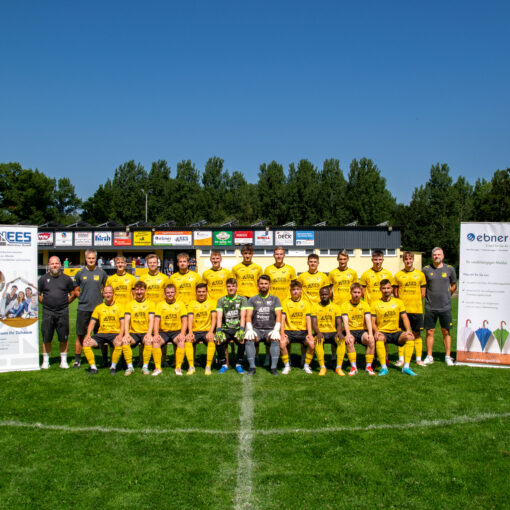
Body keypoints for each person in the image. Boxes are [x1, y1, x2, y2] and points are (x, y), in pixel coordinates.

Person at [371, 279, 417, 376]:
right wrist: (376, 331)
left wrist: (408, 330)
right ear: (380, 289)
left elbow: (404, 317)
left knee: (410, 337)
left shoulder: (398, 302)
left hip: (396, 332)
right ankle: (384, 368)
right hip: (383, 332)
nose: (386, 290)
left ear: (391, 289)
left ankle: (406, 367)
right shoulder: (375, 303)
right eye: (384, 288)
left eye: (388, 288)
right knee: (379, 338)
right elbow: (372, 321)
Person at [38, 256, 76, 369]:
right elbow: (38, 294)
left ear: (60, 264)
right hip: (47, 312)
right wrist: (45, 303)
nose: (54, 265)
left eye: (56, 263)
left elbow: (73, 293)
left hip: (62, 312)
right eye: (52, 264)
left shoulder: (66, 279)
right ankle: (46, 361)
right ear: (49, 265)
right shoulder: (43, 279)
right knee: (46, 338)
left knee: (63, 338)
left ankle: (63, 361)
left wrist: (65, 303)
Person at [73, 250, 108, 368]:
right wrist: (83, 298)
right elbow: (76, 290)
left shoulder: (102, 273)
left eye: (93, 258)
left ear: (96, 259)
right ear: (85, 259)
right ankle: (77, 360)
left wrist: (100, 298)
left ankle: (104, 359)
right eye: (89, 258)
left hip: (98, 310)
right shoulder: (79, 273)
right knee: (80, 334)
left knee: (102, 335)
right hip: (83, 308)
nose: (91, 260)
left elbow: (106, 289)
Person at [422, 247, 457, 366]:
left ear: (443, 256)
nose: (436, 256)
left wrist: (447, 296)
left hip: (445, 307)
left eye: (439, 254)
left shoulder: (450, 269)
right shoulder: (426, 270)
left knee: (446, 331)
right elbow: (423, 286)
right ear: (432, 256)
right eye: (434, 255)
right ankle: (429, 356)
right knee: (429, 332)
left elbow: (453, 285)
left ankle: (447, 356)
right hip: (430, 306)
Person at [393, 251, 427, 367]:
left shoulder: (420, 275)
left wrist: (414, 300)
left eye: (410, 259)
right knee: (402, 334)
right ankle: (401, 359)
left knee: (417, 334)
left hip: (416, 310)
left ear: (413, 260)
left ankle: (418, 359)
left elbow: (423, 293)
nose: (408, 261)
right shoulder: (398, 275)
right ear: (403, 260)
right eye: (406, 259)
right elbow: (396, 294)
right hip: (403, 311)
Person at [82, 286, 125, 375]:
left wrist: (121, 335)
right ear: (103, 294)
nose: (108, 295)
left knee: (118, 343)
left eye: (110, 293)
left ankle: (113, 367)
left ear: (113, 294)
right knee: (86, 343)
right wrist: (88, 335)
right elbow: (92, 322)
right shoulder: (99, 307)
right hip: (101, 334)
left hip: (114, 333)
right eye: (106, 293)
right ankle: (93, 368)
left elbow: (123, 323)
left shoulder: (119, 307)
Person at [244, 275, 282, 376]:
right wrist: (249, 329)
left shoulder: (275, 299)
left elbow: (279, 316)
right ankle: (252, 367)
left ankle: (273, 368)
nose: (263, 285)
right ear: (258, 285)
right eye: (261, 283)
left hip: (270, 329)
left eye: (265, 283)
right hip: (256, 329)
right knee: (249, 339)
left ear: (269, 285)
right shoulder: (252, 299)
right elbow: (248, 316)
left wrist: (276, 330)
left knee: (275, 339)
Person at [139, 254, 170, 366]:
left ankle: (163, 360)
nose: (152, 264)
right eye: (150, 262)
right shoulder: (142, 278)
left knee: (161, 334)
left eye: (154, 262)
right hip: (146, 310)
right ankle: (142, 360)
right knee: (144, 333)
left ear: (158, 263)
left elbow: (168, 293)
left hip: (161, 310)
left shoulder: (165, 278)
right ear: (147, 264)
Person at [152, 284, 189, 376]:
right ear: (165, 294)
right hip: (163, 332)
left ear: (175, 293)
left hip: (176, 332)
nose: (170, 294)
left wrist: (182, 333)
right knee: (155, 341)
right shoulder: (160, 304)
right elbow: (156, 321)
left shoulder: (180, 304)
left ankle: (178, 367)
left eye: (172, 292)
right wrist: (156, 334)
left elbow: (185, 320)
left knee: (181, 341)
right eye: (168, 292)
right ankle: (158, 368)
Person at [280, 280, 315, 375]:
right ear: (290, 291)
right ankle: (287, 366)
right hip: (289, 331)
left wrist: (310, 334)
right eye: (293, 289)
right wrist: (282, 333)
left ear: (301, 291)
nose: (295, 291)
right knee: (282, 343)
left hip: (302, 332)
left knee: (312, 344)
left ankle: (306, 365)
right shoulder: (285, 302)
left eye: (298, 289)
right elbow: (282, 319)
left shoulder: (306, 303)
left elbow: (308, 319)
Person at [341, 283, 376, 376]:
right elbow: (345, 321)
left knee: (371, 341)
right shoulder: (345, 305)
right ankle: (354, 367)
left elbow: (368, 320)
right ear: (351, 292)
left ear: (361, 293)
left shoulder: (365, 305)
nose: (356, 294)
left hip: (361, 330)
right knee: (349, 341)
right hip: (350, 330)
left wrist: (370, 334)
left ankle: (368, 366)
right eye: (354, 292)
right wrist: (348, 334)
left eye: (358, 292)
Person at [215, 278, 248, 374]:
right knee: (218, 340)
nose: (231, 288)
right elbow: (219, 317)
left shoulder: (242, 299)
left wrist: (242, 329)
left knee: (242, 340)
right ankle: (224, 364)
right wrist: (218, 330)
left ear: (236, 287)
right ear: (226, 287)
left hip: (237, 328)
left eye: (233, 286)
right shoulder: (221, 300)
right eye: (229, 286)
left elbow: (243, 315)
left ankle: (239, 364)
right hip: (226, 328)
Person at [123, 281, 155, 376]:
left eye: (141, 289)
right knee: (125, 341)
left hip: (145, 332)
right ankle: (130, 367)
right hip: (134, 333)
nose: (139, 292)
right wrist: (126, 334)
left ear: (145, 290)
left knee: (148, 341)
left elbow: (151, 320)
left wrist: (149, 334)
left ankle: (145, 367)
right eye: (137, 290)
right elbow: (127, 320)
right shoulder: (129, 304)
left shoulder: (150, 304)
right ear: (134, 291)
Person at [312, 286, 344, 376]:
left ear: (330, 295)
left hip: (333, 332)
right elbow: (314, 324)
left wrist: (339, 333)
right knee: (318, 340)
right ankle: (322, 367)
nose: (324, 296)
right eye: (322, 295)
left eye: (326, 294)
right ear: (319, 295)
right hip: (321, 332)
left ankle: (338, 367)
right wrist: (318, 333)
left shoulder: (336, 307)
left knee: (341, 340)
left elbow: (339, 323)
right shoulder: (315, 307)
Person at [186, 283, 217, 375]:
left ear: (207, 292)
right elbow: (190, 318)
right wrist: (190, 332)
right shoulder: (192, 303)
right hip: (195, 331)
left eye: (203, 291)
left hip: (207, 331)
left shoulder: (212, 302)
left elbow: (214, 318)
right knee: (188, 339)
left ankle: (208, 366)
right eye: (199, 292)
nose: (201, 294)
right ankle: (191, 366)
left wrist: (211, 332)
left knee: (211, 338)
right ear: (196, 292)